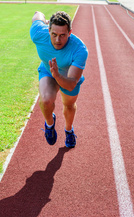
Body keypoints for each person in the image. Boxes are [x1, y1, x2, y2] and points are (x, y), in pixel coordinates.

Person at [30, 11, 88, 148]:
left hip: (68, 77)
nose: (57, 40)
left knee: (68, 106)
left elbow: (71, 84)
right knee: (45, 101)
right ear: (48, 29)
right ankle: (49, 125)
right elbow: (37, 15)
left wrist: (57, 75)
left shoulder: (80, 50)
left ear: (70, 32)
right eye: (54, 34)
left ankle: (69, 130)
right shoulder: (38, 33)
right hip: (48, 70)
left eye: (63, 35)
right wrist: (41, 15)